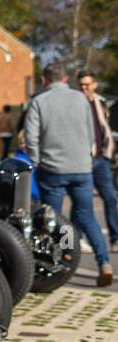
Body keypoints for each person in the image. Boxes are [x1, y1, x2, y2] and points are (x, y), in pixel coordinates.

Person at [24, 63, 113, 287]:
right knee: (87, 216)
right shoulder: (81, 99)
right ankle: (104, 262)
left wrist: (36, 160)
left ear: (45, 80)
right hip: (82, 167)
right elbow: (91, 133)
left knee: (57, 220)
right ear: (65, 79)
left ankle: (66, 262)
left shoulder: (39, 102)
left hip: (52, 168)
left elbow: (31, 138)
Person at [78, 70, 117, 248]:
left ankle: (115, 237)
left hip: (102, 158)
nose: (83, 88)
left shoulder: (101, 102)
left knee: (110, 197)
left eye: (87, 84)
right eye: (81, 84)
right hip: (82, 158)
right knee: (81, 200)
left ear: (94, 85)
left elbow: (105, 127)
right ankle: (76, 239)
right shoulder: (76, 103)